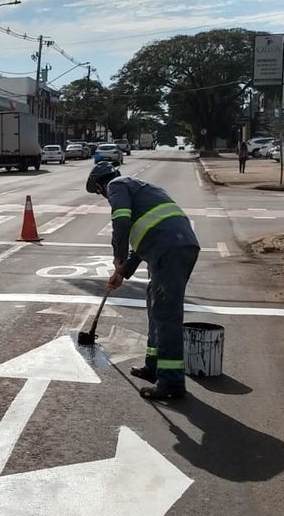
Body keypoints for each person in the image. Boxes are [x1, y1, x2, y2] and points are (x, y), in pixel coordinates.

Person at [87, 162, 201, 400]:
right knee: (154, 306)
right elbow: (140, 244)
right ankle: (153, 366)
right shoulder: (143, 191)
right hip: (174, 246)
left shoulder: (117, 185)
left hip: (169, 250)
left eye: (100, 193)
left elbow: (121, 221)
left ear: (101, 185)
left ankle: (171, 384)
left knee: (166, 315)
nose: (104, 197)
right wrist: (122, 272)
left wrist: (117, 256)